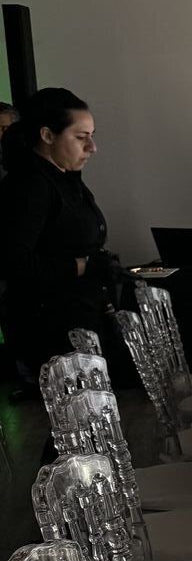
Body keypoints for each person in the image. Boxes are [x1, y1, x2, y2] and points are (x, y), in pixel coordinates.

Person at [0, 87, 118, 380]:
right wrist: (82, 266)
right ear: (47, 135)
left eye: (91, 136)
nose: (92, 147)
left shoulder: (66, 179)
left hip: (82, 319)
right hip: (52, 331)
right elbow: (13, 262)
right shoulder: (31, 186)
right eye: (81, 138)